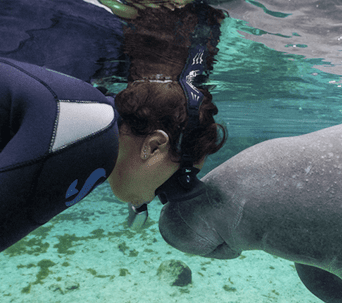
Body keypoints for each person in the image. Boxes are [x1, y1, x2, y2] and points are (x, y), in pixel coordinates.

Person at [0, 0, 227, 252]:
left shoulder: (90, 110)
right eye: (172, 185)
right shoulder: (92, 139)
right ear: (154, 146)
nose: (152, 199)